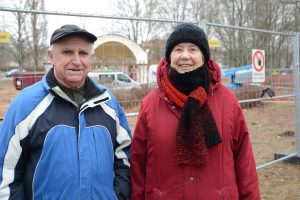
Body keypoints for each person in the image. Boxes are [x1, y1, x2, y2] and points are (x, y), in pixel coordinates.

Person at [0, 24, 132, 200]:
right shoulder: (25, 105)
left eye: (83, 53)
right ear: (51, 57)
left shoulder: (108, 102)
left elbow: (125, 157)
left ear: (91, 58)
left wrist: (118, 196)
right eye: (67, 52)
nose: (77, 61)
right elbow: (6, 172)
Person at [130, 23, 260, 199]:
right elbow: (138, 164)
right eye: (178, 49)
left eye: (193, 49)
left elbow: (245, 162)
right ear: (169, 56)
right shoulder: (150, 104)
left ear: (204, 56)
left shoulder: (228, 102)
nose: (185, 56)